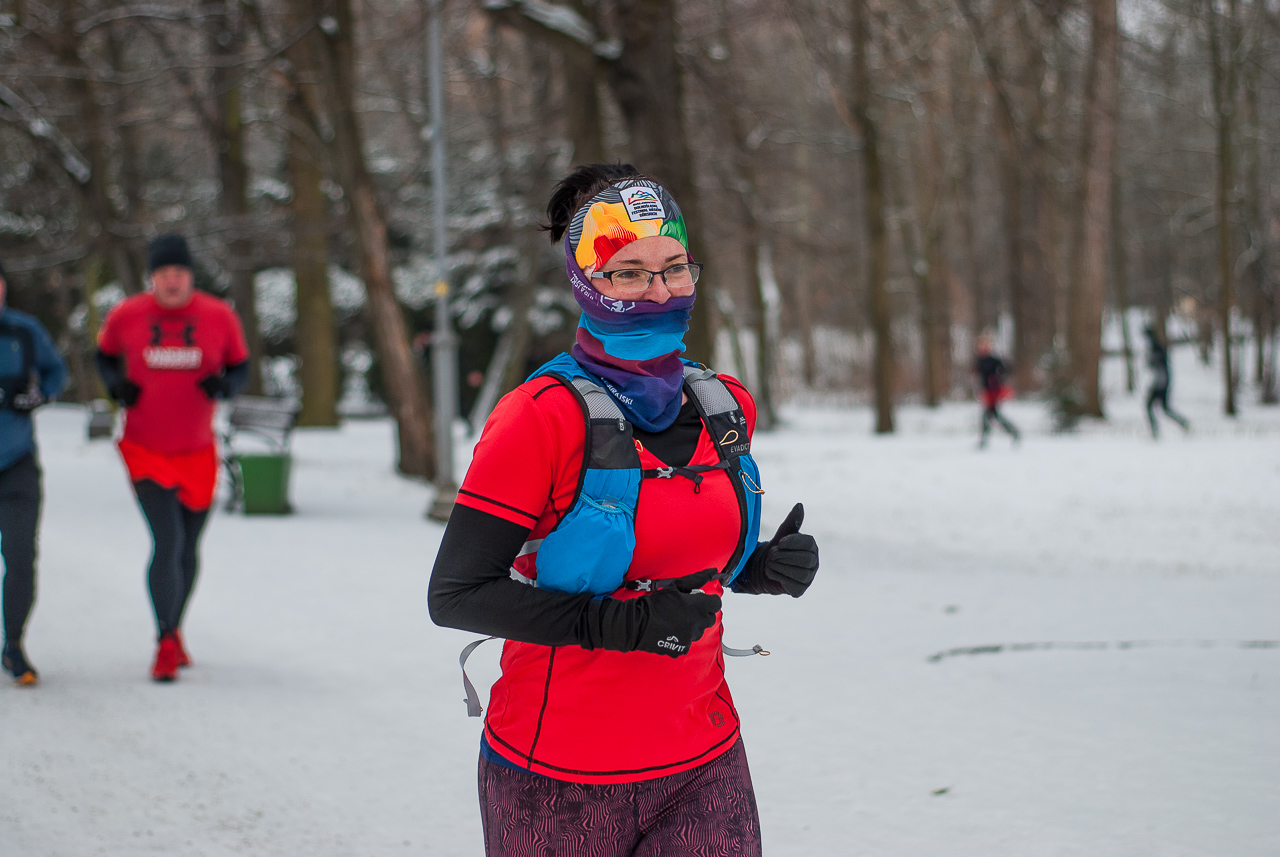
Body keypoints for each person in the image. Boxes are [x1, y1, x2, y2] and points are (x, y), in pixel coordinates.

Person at [429, 164, 820, 857]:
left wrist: (760, 567)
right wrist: (617, 623)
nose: (659, 290)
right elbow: (455, 594)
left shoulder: (723, 406)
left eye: (674, 268)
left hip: (703, 759)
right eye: (629, 272)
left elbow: (681, 552)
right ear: (586, 283)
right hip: (557, 773)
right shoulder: (537, 419)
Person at [95, 234, 250, 682]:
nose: (172, 280)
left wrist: (226, 386)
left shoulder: (218, 315)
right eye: (163, 273)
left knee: (189, 547)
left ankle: (175, 629)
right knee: (167, 542)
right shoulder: (127, 314)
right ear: (152, 277)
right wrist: (116, 385)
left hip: (198, 450)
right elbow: (104, 357)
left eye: (179, 272)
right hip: (145, 448)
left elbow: (240, 366)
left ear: (191, 276)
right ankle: (164, 641)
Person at [0, 260, 68, 686]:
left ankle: (14, 645)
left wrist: (38, 395)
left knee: (22, 557)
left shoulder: (23, 331)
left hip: (17, 463)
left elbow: (55, 372)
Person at [974, 335, 1020, 448]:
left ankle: (1013, 433)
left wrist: (997, 379)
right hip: (986, 392)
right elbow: (978, 375)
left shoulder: (994, 360)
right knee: (992, 415)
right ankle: (1013, 433)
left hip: (994, 391)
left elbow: (1007, 368)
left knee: (989, 415)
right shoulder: (980, 361)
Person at [1144, 326, 1189, 438]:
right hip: (1162, 380)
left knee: (1150, 406)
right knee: (1164, 408)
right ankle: (1182, 422)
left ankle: (1155, 431)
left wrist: (1150, 362)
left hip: (1161, 382)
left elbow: (1158, 364)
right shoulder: (1156, 346)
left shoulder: (1155, 347)